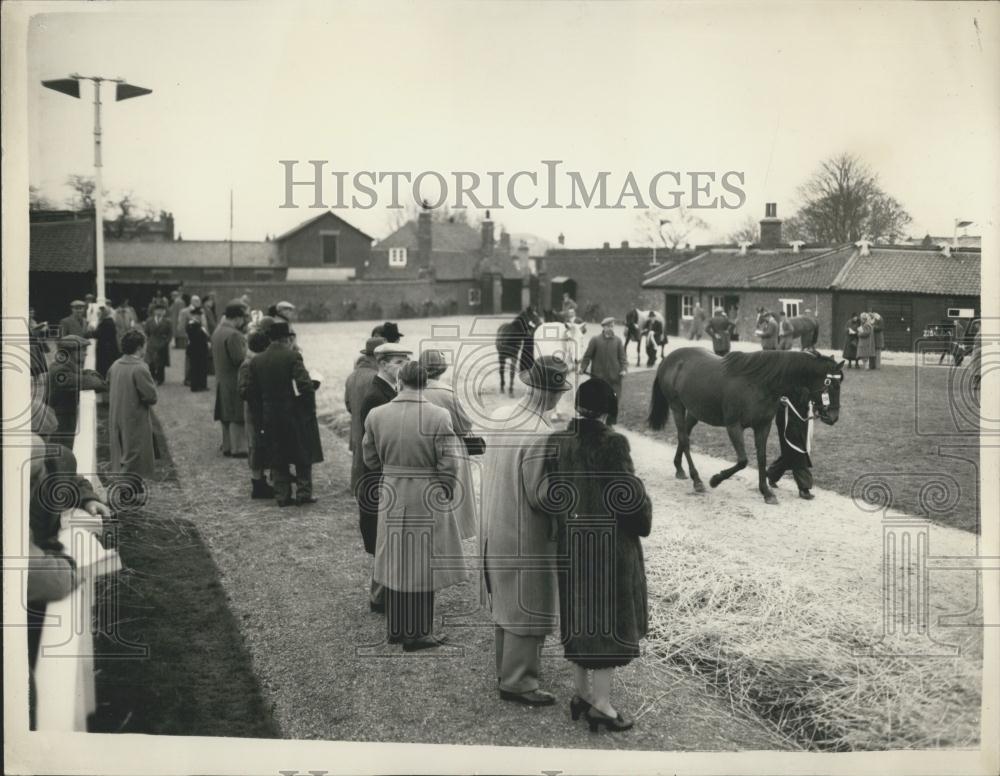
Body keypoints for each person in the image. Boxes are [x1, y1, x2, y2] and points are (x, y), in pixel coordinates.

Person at [545, 378, 652, 732]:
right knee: (607, 620)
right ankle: (602, 706)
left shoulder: (557, 440)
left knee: (579, 615)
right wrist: (644, 505)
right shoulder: (612, 442)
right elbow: (627, 498)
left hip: (572, 544)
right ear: (608, 409)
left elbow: (554, 495)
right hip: (607, 548)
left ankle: (582, 694)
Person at [362, 361, 472, 651]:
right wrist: (445, 490)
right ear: (425, 383)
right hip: (426, 492)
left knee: (396, 557)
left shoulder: (377, 414)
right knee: (424, 561)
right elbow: (449, 462)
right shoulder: (438, 415)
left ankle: (397, 628)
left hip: (391, 491)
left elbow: (370, 459)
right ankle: (419, 632)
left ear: (399, 381)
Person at [482, 355, 571, 707]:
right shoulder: (541, 433)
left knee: (506, 598)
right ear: (550, 393)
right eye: (559, 392)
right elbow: (541, 496)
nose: (559, 398)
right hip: (526, 531)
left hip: (497, 520)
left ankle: (507, 669)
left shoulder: (503, 415)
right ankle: (518, 681)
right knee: (528, 602)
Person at [355, 342, 411, 611]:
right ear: (383, 363)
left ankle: (381, 594)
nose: (403, 368)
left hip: (382, 474)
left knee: (385, 536)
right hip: (379, 477)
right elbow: (375, 444)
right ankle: (380, 596)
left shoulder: (387, 391)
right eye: (399, 362)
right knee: (384, 536)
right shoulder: (376, 397)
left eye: (405, 363)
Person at [244, 320, 322, 507]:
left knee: (277, 455)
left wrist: (260, 415)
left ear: (270, 339)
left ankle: (282, 495)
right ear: (287, 338)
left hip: (269, 414)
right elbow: (304, 386)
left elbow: (250, 392)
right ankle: (303, 494)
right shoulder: (293, 356)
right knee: (302, 454)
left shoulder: (257, 361)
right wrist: (309, 405)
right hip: (293, 413)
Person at [420, 349, 481, 539]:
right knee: (455, 491)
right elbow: (463, 425)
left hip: (421, 446)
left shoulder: (412, 389)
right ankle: (457, 532)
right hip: (450, 447)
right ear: (442, 369)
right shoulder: (447, 392)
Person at [107, 331, 158, 486]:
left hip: (117, 415)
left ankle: (130, 488)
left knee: (122, 450)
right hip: (135, 417)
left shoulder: (115, 364)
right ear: (139, 347)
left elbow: (108, 382)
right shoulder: (140, 368)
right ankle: (127, 491)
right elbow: (151, 397)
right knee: (134, 453)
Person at [47, 336, 107, 450]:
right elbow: (95, 383)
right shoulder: (60, 371)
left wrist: (89, 374)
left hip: (63, 424)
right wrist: (92, 377)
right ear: (71, 352)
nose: (86, 354)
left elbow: (88, 375)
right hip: (60, 428)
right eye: (82, 350)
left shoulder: (64, 366)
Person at [238, 331, 275, 499]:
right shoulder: (248, 364)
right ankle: (258, 484)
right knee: (255, 447)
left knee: (260, 446)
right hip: (254, 412)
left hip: (259, 411)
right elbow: (243, 390)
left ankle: (261, 481)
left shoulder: (253, 362)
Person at [766, 385, 815, 500]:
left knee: (792, 451)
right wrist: (780, 400)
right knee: (797, 449)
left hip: (803, 415)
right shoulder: (787, 371)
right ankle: (804, 487)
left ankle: (771, 475)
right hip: (787, 416)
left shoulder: (808, 374)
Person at [213, 303, 249, 457]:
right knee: (237, 414)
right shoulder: (234, 334)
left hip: (222, 380)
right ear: (238, 318)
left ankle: (227, 446)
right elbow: (239, 359)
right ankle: (239, 448)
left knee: (225, 415)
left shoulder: (218, 331)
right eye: (243, 318)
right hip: (235, 380)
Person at [579, 317, 627, 426]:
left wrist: (623, 369)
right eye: (609, 326)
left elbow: (623, 358)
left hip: (614, 378)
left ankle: (609, 424)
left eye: (612, 326)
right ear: (604, 327)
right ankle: (598, 423)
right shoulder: (595, 340)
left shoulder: (618, 341)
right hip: (599, 378)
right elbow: (587, 356)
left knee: (614, 400)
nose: (611, 328)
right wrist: (583, 367)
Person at [143, 303, 173, 385]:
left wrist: (166, 341)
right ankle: (152, 377)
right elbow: (146, 332)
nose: (159, 312)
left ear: (164, 312)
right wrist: (149, 340)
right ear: (154, 311)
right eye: (157, 310)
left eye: (161, 310)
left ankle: (160, 378)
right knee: (150, 361)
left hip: (162, 343)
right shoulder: (149, 321)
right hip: (152, 343)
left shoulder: (167, 321)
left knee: (161, 362)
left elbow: (170, 333)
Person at [185, 301, 211, 392]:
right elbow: (195, 337)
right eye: (196, 316)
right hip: (195, 350)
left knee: (202, 368)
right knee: (195, 368)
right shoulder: (191, 325)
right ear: (193, 316)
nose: (198, 317)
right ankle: (195, 386)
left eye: (199, 316)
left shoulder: (199, 325)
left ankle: (202, 385)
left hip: (201, 350)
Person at [94, 304, 120, 379]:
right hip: (108, 350)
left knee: (104, 369)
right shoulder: (108, 321)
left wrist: (90, 332)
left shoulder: (107, 323)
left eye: (101, 312)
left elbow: (99, 334)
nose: (99, 314)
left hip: (106, 351)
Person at [28, 308, 50, 390]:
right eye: (30, 312)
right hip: (30, 343)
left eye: (33, 312)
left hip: (36, 343)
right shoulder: (26, 321)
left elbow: (36, 332)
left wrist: (43, 328)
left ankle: (37, 379)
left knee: (38, 360)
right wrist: (39, 326)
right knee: (33, 361)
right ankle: (33, 378)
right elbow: (31, 331)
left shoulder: (33, 321)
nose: (32, 314)